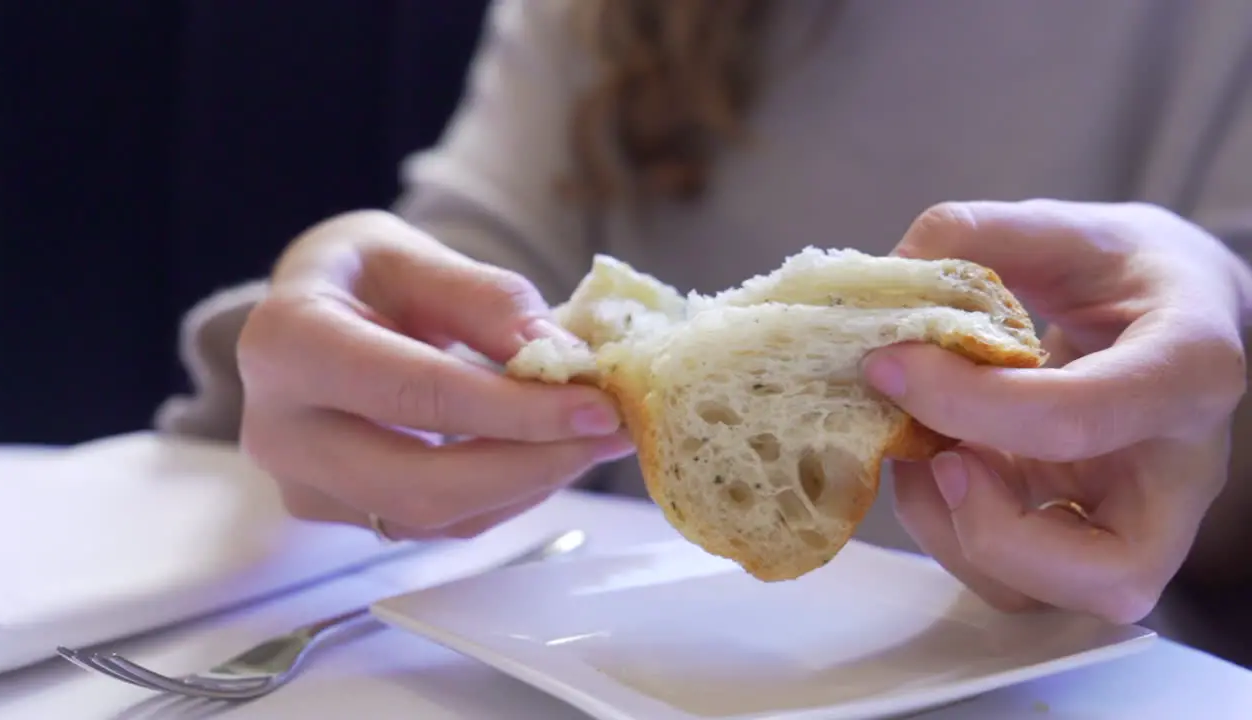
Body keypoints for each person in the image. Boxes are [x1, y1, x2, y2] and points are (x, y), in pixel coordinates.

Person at [156, 0, 1252, 660]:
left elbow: (1212, 462)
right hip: (617, 672)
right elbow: (477, 280)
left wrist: (1215, 388)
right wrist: (360, 359)